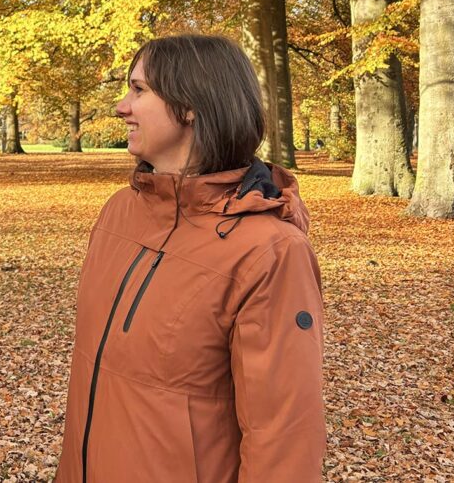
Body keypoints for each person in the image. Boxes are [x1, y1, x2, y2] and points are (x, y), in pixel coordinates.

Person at [56, 35, 326, 482]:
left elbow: (283, 435)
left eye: (139, 90)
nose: (122, 106)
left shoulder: (269, 252)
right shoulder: (119, 214)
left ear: (191, 105)